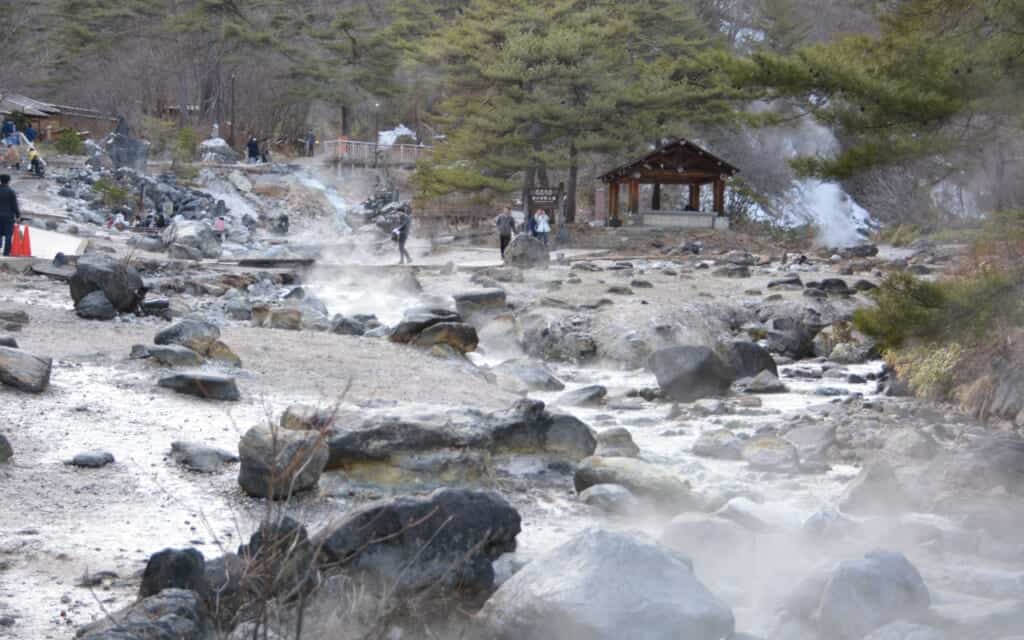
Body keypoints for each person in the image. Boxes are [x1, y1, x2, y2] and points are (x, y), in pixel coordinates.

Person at [0, 174, 21, 256]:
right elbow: (14, 205)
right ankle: (6, 252)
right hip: (8, 216)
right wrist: (18, 215)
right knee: (8, 234)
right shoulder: (11, 191)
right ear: (9, 181)